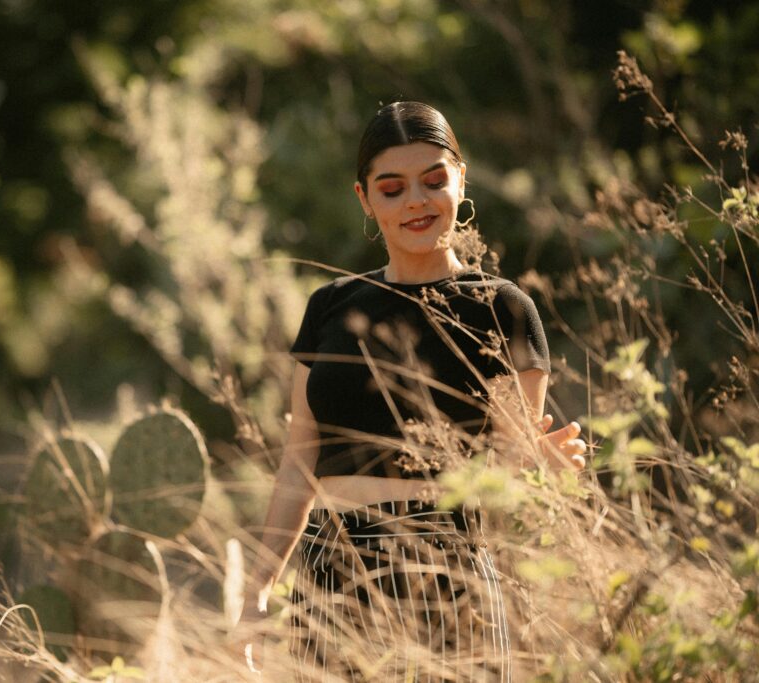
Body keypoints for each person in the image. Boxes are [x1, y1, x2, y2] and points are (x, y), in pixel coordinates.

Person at [234, 101, 588, 682]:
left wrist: (542, 467)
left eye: (433, 181)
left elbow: (508, 466)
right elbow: (299, 462)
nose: (416, 202)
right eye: (392, 188)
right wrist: (258, 591)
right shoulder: (330, 307)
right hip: (333, 571)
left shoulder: (502, 309)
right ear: (365, 199)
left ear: (460, 179)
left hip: (449, 575)